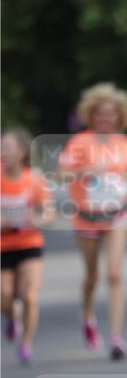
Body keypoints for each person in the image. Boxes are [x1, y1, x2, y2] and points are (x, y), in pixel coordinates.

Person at [59, 83, 127, 361]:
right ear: (91, 115)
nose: (106, 118)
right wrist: (83, 171)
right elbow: (61, 175)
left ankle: (116, 337)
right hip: (86, 216)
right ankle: (88, 317)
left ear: (121, 116)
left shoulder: (124, 144)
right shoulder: (80, 142)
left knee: (115, 274)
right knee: (92, 276)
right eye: (101, 114)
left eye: (112, 114)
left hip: (116, 214)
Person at [1, 129, 53, 364]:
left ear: (21, 153)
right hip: (3, 246)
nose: (3, 152)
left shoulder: (33, 180)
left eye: (7, 148)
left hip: (29, 243)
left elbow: (50, 213)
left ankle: (26, 344)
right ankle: (13, 317)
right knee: (5, 296)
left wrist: (39, 220)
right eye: (1, 148)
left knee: (29, 295)